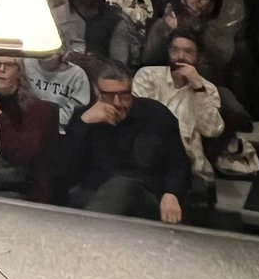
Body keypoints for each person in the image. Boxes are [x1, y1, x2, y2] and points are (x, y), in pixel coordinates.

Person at [56, 61, 191, 223]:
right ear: (97, 93)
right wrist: (84, 124)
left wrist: (172, 193)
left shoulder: (156, 115)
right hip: (92, 195)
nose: (118, 103)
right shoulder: (85, 118)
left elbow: (179, 164)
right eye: (109, 96)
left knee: (122, 186)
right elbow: (63, 171)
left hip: (144, 197)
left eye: (124, 95)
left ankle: (87, 239)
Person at [133, 29, 225, 186]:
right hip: (147, 155)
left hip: (187, 162)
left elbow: (212, 130)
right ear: (168, 52)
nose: (180, 57)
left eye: (188, 52)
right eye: (174, 50)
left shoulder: (207, 89)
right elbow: (138, 118)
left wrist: (198, 88)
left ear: (198, 57)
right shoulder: (147, 76)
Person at [0, 55, 58, 202]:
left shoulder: (37, 109)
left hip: (18, 188)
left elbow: (21, 155)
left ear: (20, 71)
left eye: (9, 65)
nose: (1, 70)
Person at [61, 0, 137, 68]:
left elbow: (120, 65)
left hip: (101, 74)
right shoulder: (59, 14)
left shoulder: (115, 19)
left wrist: (98, 64)